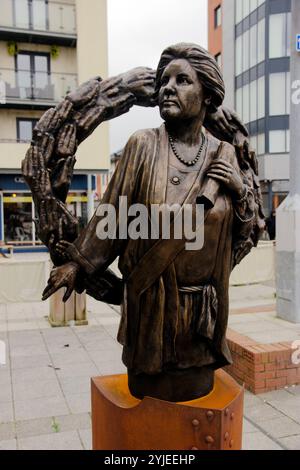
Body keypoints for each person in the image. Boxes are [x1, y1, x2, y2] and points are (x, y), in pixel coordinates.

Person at [41, 43, 263, 402]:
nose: (167, 88)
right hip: (151, 308)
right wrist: (78, 265)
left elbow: (243, 234)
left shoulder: (224, 155)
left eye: (182, 80)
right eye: (164, 81)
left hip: (200, 315)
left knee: (198, 396)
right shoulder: (142, 145)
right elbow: (112, 215)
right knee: (147, 400)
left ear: (207, 95)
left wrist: (239, 192)